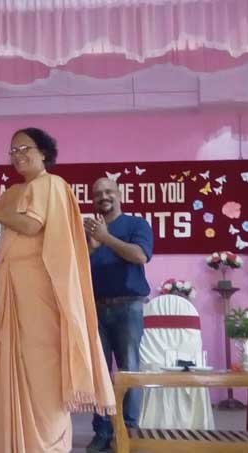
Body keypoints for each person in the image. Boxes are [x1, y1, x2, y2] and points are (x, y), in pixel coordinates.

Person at [0, 128, 115, 453]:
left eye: (25, 148)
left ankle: (47, 445)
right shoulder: (13, 192)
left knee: (42, 372)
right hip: (12, 291)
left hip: (41, 291)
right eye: (13, 150)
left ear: (44, 152)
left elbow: (29, 225)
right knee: (16, 366)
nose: (18, 155)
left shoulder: (52, 184)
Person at [84, 177, 153, 452]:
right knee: (99, 372)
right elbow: (75, 265)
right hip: (95, 308)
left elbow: (140, 256)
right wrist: (91, 246)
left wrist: (106, 238)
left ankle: (128, 431)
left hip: (128, 307)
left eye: (108, 191)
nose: (103, 196)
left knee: (128, 369)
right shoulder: (87, 229)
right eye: (98, 193)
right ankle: (102, 432)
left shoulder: (137, 225)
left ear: (119, 194)